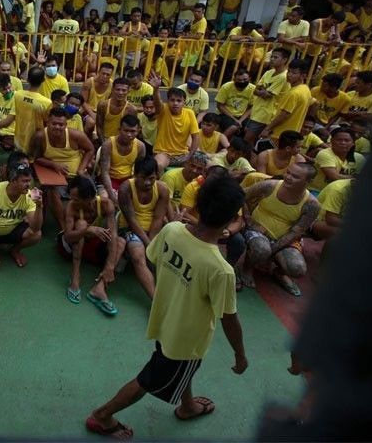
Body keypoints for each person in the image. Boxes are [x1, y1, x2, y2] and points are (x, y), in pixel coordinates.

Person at [86, 177, 248, 438]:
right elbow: (229, 318)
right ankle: (102, 416)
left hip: (163, 319)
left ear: (198, 203)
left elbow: (152, 259)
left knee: (181, 370)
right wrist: (240, 355)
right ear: (230, 220)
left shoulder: (172, 229)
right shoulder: (221, 270)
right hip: (185, 339)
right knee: (148, 380)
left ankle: (188, 405)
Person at [240, 162, 321, 296]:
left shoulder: (312, 204)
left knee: (297, 268)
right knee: (261, 249)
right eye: (288, 172)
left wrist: (273, 250)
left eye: (295, 176)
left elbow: (297, 232)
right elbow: (241, 195)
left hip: (285, 239)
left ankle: (279, 272)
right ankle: (247, 268)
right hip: (257, 231)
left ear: (308, 182)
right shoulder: (270, 186)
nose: (288, 177)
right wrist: (249, 220)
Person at [58, 176, 125, 315]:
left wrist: (110, 267)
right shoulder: (71, 207)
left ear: (89, 198)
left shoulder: (107, 205)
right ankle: (75, 276)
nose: (72, 201)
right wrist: (87, 230)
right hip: (69, 247)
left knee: (120, 242)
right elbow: (68, 237)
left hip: (90, 249)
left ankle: (99, 288)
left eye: (76, 198)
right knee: (81, 224)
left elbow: (112, 235)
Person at [31, 108, 95, 231]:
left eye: (61, 124)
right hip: (55, 177)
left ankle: (89, 222)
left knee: (89, 193)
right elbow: (36, 158)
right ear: (47, 122)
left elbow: (90, 149)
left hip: (76, 176)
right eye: (54, 124)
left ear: (66, 125)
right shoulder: (40, 136)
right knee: (50, 190)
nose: (57, 127)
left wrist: (81, 169)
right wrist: (54, 165)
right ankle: (63, 226)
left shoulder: (75, 135)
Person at [0, 163, 43, 268]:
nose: (28, 185)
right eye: (24, 181)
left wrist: (39, 206)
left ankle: (15, 250)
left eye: (29, 181)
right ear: (13, 181)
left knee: (37, 235)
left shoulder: (29, 196)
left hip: (13, 231)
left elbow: (36, 228)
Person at [117, 157, 170, 299]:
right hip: (129, 228)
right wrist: (148, 245)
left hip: (152, 230)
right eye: (143, 178)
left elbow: (158, 218)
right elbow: (131, 220)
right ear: (135, 175)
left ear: (157, 176)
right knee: (138, 255)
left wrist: (152, 242)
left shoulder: (163, 189)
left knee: (164, 259)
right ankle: (155, 302)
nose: (147, 183)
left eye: (151, 178)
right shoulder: (125, 188)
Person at [150, 73, 201, 172]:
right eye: (172, 100)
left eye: (179, 100)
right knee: (158, 165)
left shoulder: (190, 113)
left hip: (183, 154)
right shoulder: (163, 109)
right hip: (163, 153)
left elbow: (196, 137)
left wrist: (190, 155)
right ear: (167, 101)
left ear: (184, 102)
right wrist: (156, 89)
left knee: (205, 164)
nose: (175, 103)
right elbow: (157, 102)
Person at [244, 48, 291, 146]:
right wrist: (262, 91)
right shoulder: (268, 72)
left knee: (249, 140)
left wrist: (262, 91)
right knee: (250, 141)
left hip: (268, 115)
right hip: (257, 111)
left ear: (285, 60)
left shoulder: (284, 76)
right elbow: (256, 90)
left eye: (276, 57)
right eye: (272, 57)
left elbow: (267, 95)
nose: (272, 59)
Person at [261, 59, 311, 144]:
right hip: (291, 135)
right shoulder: (306, 89)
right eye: (289, 71)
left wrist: (267, 129)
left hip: (279, 135)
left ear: (303, 76)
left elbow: (284, 115)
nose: (289, 75)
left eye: (294, 73)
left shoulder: (294, 93)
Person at [98, 114, 146, 203]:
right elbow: (104, 172)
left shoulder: (140, 146)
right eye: (126, 130)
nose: (129, 134)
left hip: (128, 180)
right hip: (110, 181)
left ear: (139, 131)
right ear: (119, 130)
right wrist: (112, 195)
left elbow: (139, 171)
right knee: (104, 201)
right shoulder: (108, 145)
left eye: (133, 131)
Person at [309, 127, 365, 192]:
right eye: (339, 140)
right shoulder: (325, 154)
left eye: (347, 140)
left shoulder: (360, 158)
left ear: (353, 143)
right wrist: (357, 177)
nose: (343, 143)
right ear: (331, 141)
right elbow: (335, 177)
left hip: (342, 193)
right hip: (318, 191)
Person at [13, 66, 53, 152]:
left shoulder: (17, 95)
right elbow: (47, 123)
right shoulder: (46, 102)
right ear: (43, 80)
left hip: (18, 140)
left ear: (27, 80)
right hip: (34, 143)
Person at [160, 151, 208, 218]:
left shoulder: (200, 181)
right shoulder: (170, 176)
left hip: (186, 215)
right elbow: (166, 202)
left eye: (199, 169)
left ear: (203, 170)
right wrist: (173, 219)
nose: (194, 170)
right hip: (168, 214)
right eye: (192, 166)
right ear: (185, 164)